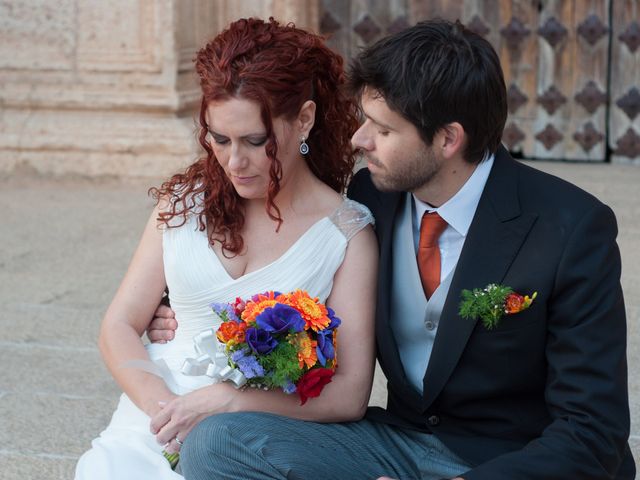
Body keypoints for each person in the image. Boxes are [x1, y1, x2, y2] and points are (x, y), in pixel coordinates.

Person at [150, 18, 635, 479]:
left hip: (509, 461)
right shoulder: (371, 199)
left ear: (447, 139)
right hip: (394, 444)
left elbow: (593, 432)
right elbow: (294, 268)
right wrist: (177, 308)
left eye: (383, 130)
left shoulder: (570, 228)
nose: (361, 140)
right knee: (216, 445)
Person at [74, 17, 378, 480]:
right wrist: (167, 410)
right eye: (219, 139)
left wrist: (229, 403)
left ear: (304, 119)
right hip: (150, 419)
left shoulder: (347, 234)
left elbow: (351, 393)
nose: (235, 162)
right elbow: (118, 324)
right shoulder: (182, 206)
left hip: (253, 435)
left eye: (256, 142)